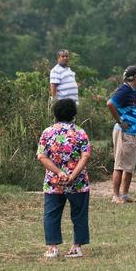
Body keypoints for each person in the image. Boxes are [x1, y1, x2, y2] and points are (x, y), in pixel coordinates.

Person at [37, 97, 92, 259]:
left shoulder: (47, 132)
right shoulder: (80, 132)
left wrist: (59, 173)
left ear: (55, 114)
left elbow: (41, 156)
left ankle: (52, 248)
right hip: (78, 182)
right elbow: (86, 155)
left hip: (54, 182)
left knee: (51, 214)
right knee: (79, 214)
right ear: (74, 114)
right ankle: (76, 247)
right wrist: (73, 175)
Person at [106, 65, 136, 203]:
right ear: (134, 77)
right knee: (120, 165)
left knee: (129, 166)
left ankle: (124, 194)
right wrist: (119, 120)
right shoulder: (124, 90)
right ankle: (115, 195)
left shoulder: (133, 90)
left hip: (134, 132)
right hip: (125, 133)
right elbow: (110, 104)